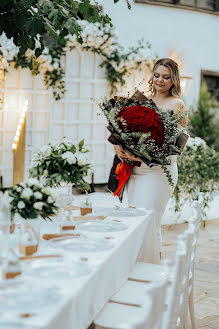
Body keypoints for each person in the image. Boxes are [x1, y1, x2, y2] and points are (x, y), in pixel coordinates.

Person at [114, 58, 188, 263]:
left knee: (148, 220)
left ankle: (147, 268)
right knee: (136, 221)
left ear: (174, 80)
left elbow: (176, 146)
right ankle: (140, 265)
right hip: (136, 172)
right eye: (157, 75)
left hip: (158, 175)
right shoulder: (141, 100)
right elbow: (122, 130)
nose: (160, 80)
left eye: (166, 77)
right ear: (152, 75)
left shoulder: (177, 104)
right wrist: (117, 144)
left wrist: (140, 155)